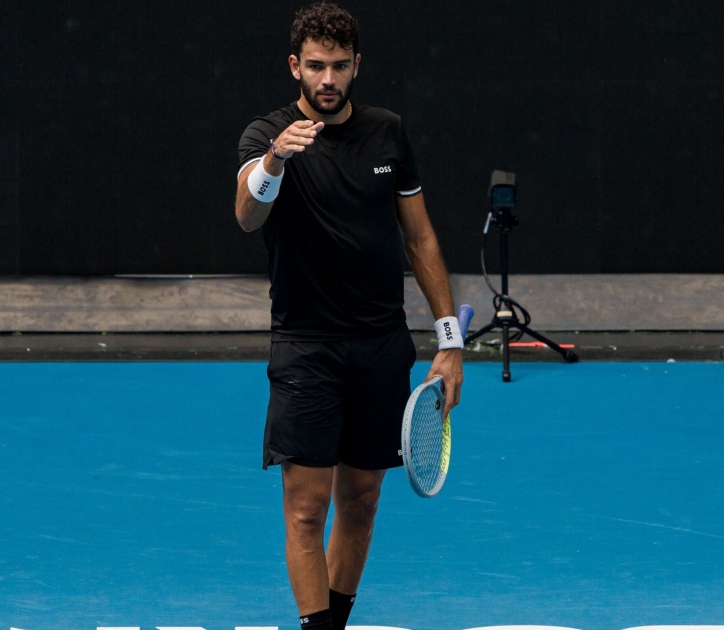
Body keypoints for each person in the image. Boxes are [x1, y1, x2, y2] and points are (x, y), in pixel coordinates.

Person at [234, 3, 464, 629]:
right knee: (306, 512)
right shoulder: (266, 136)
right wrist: (277, 160)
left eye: (339, 66)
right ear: (295, 67)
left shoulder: (388, 132)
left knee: (360, 502)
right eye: (315, 67)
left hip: (381, 348)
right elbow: (247, 215)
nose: (328, 79)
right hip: (306, 348)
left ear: (356, 64)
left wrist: (450, 342)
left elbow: (420, 240)